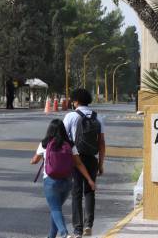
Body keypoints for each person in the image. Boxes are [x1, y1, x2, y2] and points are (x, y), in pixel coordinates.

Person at [31, 119, 96, 238]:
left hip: (51, 181)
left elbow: (34, 161)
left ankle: (64, 234)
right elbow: (79, 164)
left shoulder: (45, 143)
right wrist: (89, 180)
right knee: (56, 209)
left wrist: (35, 159)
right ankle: (51, 236)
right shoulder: (70, 144)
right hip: (67, 181)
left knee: (55, 209)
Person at [63, 88, 106, 238]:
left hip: (76, 158)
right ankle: (89, 225)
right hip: (92, 159)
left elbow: (63, 139)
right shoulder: (98, 118)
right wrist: (100, 164)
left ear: (75, 101)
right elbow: (101, 143)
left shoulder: (70, 117)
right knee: (90, 191)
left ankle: (78, 230)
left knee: (76, 193)